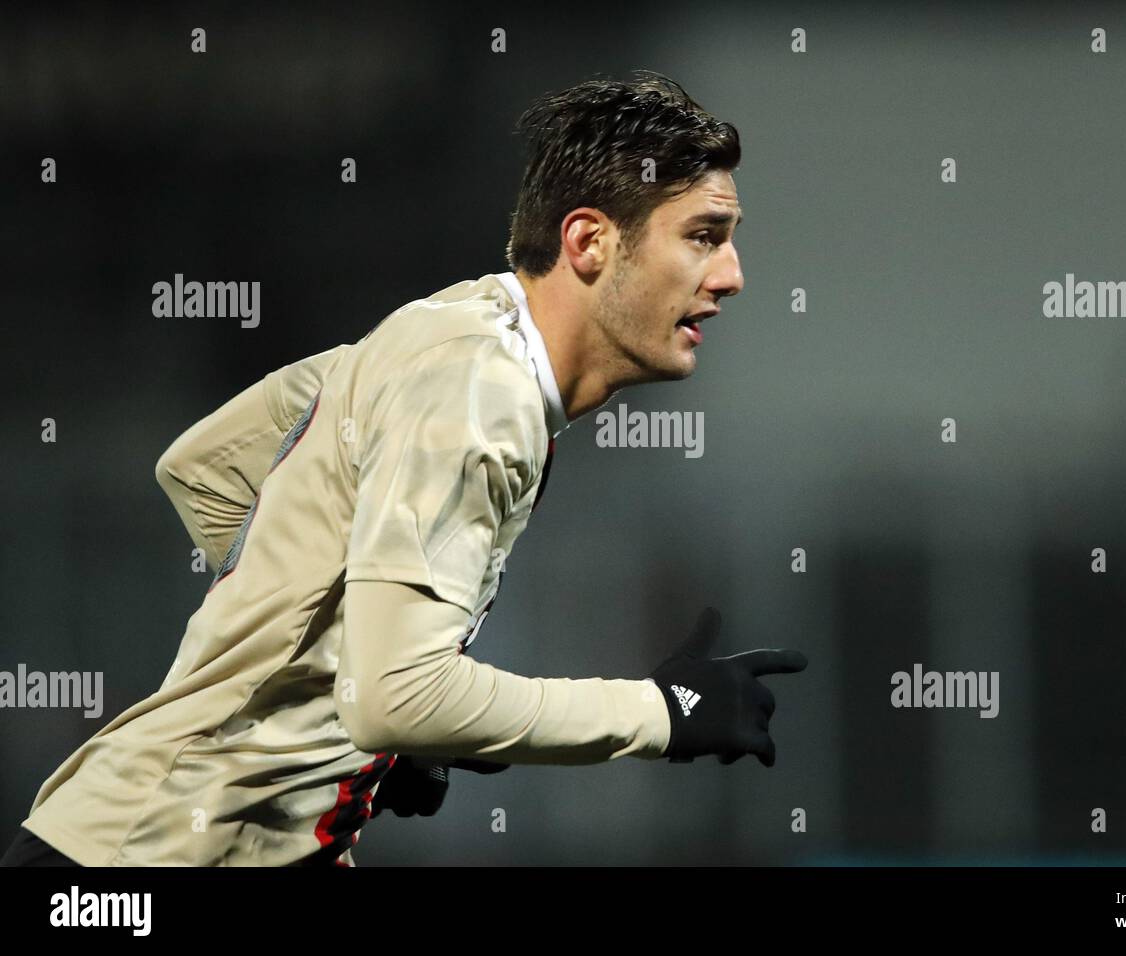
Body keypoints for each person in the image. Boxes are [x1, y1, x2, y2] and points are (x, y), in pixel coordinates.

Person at [1, 70, 806, 868]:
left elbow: (206, 467)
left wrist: (351, 711)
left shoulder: (453, 330)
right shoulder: (480, 390)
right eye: (703, 235)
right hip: (146, 862)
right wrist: (663, 714)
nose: (731, 274)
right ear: (589, 241)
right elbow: (401, 698)